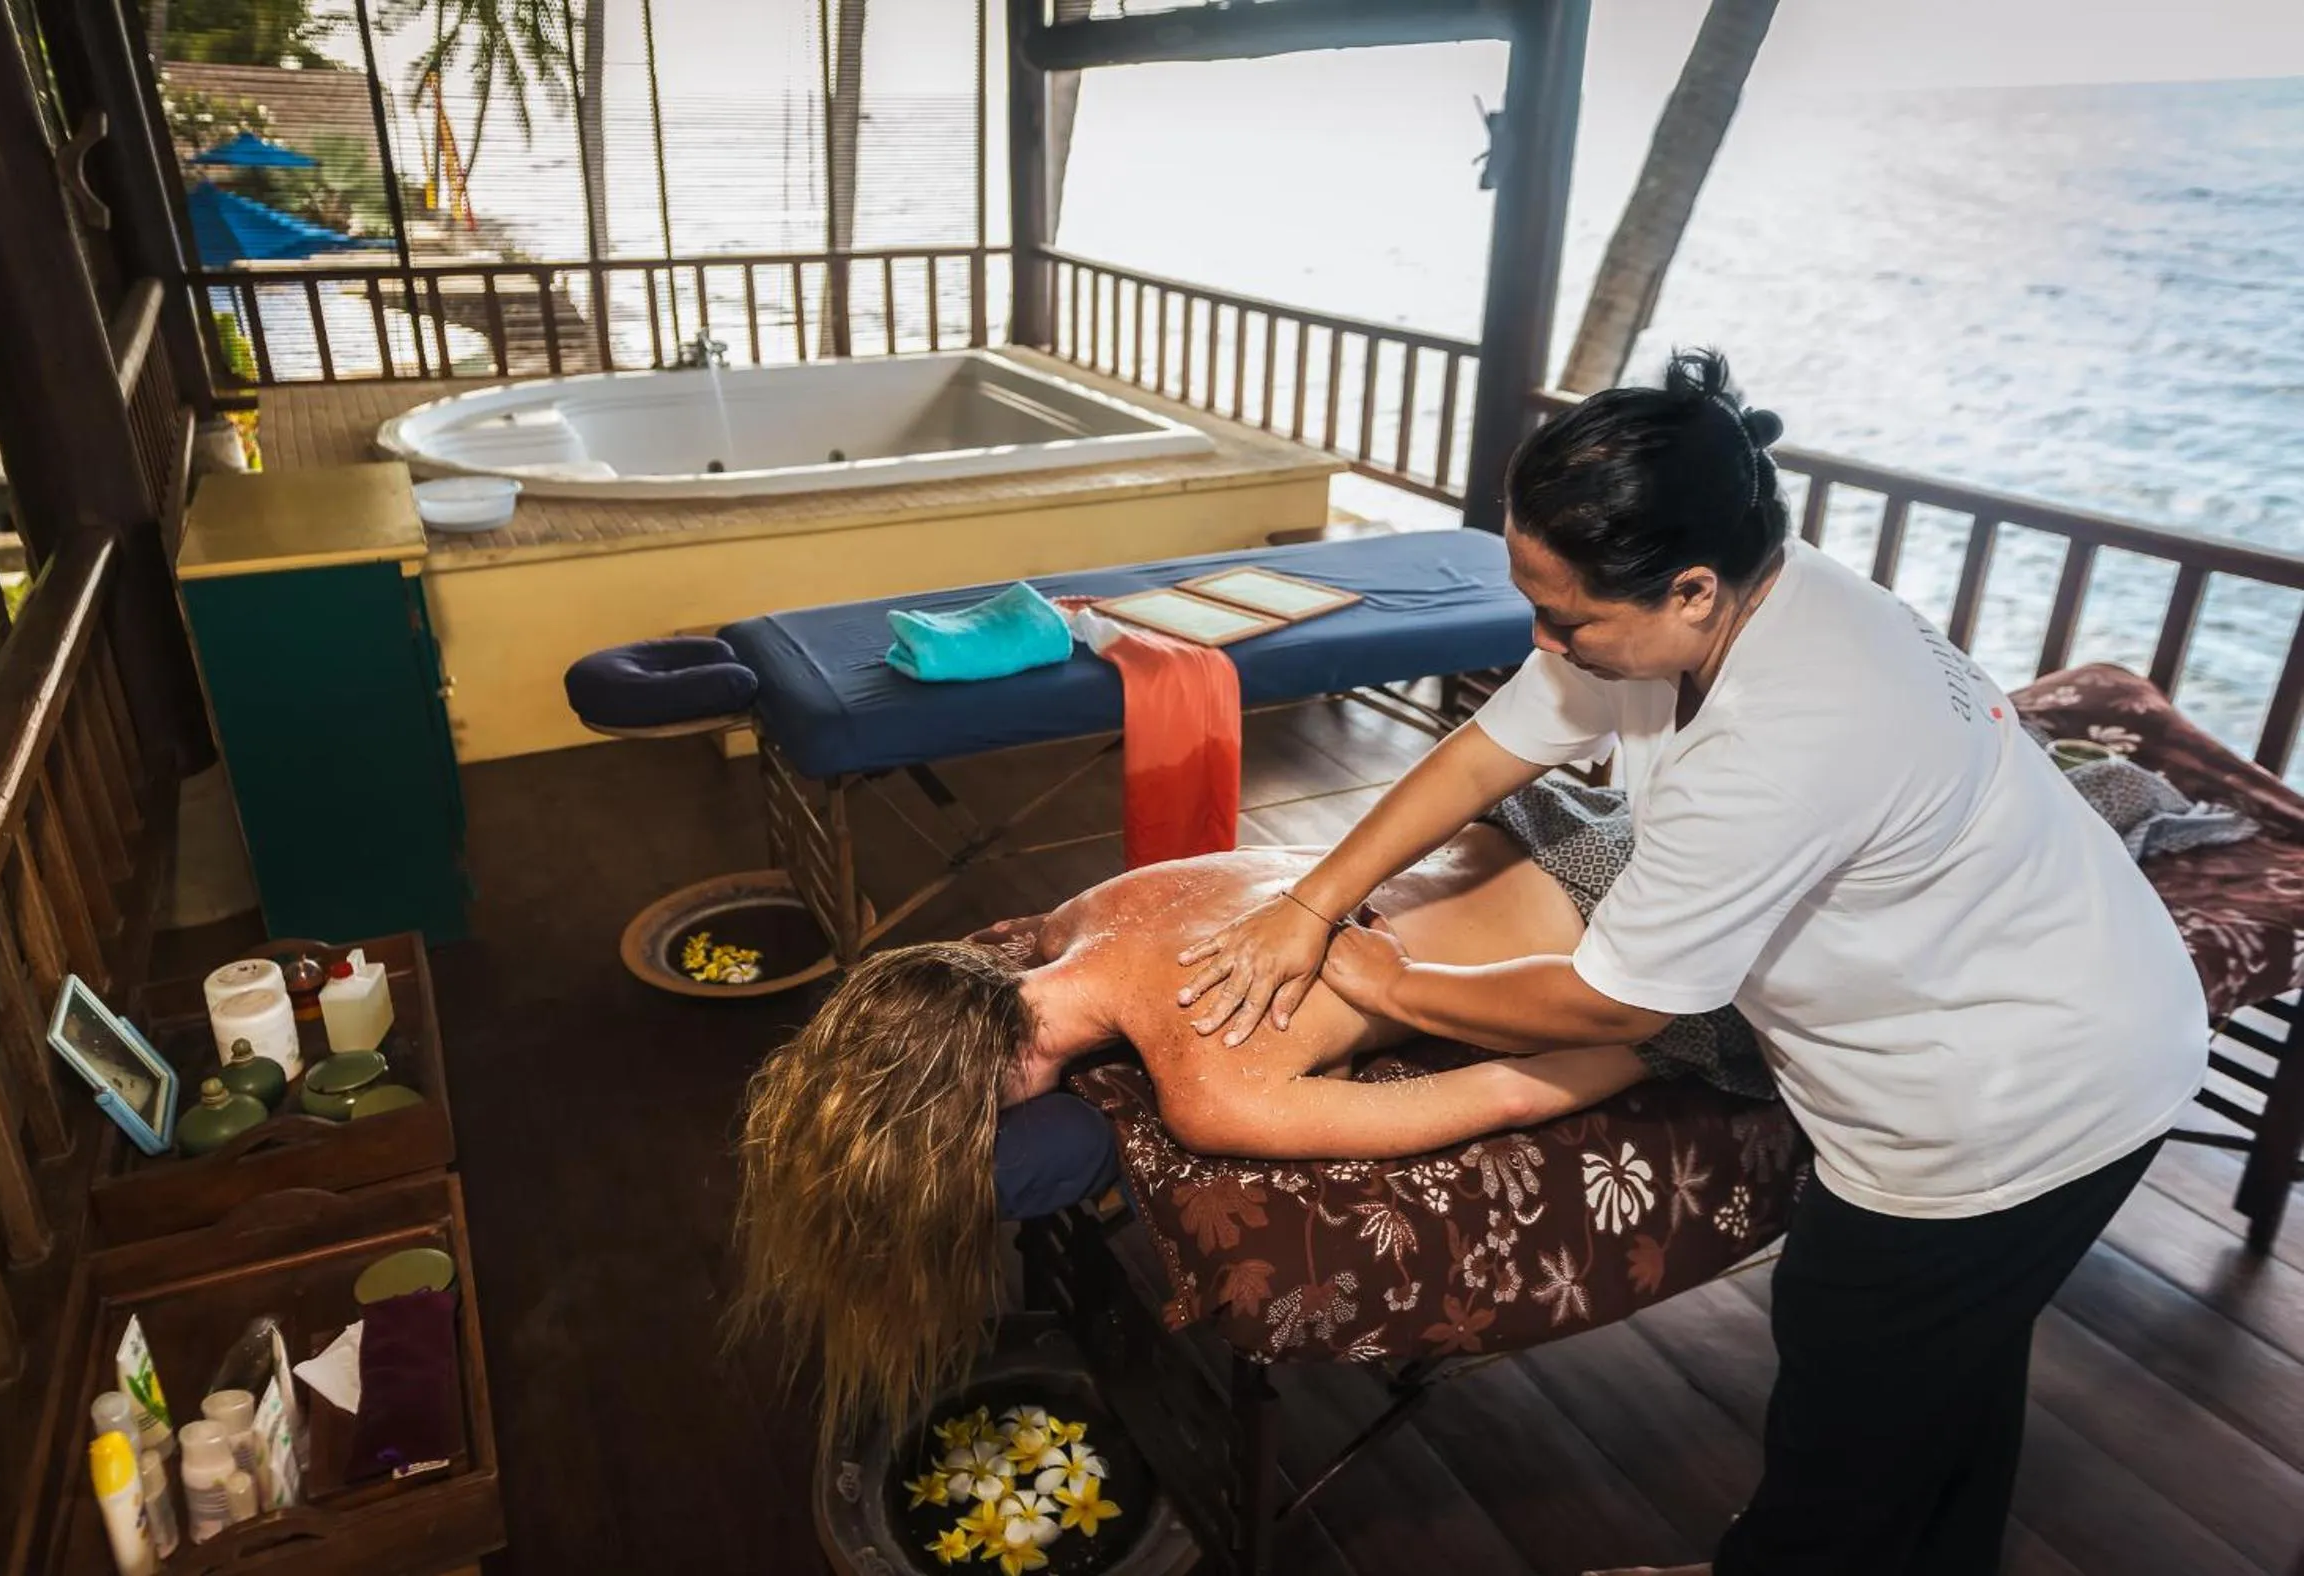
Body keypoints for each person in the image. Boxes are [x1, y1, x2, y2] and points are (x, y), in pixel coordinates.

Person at [1176, 349, 2208, 1576]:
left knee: (1850, 1400)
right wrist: (1309, 901)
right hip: (2064, 995)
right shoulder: (1725, 594)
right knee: (1945, 1385)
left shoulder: (1791, 730)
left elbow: (1614, 997)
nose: (1542, 637)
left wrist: (1386, 979)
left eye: (1568, 617)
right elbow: (1485, 752)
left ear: (1694, 589)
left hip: (2017, 1091)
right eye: (1533, 598)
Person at [732, 803, 1768, 1445]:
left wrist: (1673, 1026)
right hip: (1540, 822)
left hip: (1622, 918)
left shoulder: (1207, 1086)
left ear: (1001, 1075)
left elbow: (1506, 1094)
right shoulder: (1101, 903)